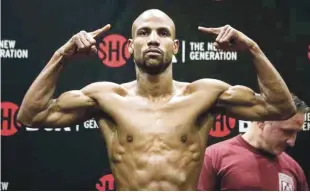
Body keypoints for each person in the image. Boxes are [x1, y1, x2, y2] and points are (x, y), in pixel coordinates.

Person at [17, 9, 296, 190]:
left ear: (174, 47)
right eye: (143, 33)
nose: (153, 39)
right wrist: (61, 56)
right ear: (129, 47)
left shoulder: (203, 95)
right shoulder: (107, 97)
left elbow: (279, 107)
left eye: (162, 34)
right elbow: (31, 115)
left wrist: (253, 49)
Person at [197, 94, 309, 191]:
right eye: (286, 131)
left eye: (296, 132)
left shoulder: (294, 169)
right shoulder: (214, 157)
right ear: (261, 121)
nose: (292, 142)